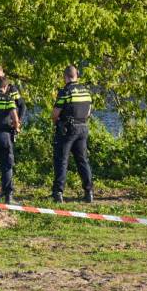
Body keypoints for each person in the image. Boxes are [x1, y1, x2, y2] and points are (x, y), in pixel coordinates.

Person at [51, 65, 93, 203]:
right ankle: (89, 192)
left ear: (65, 76)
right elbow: (88, 112)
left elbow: (55, 114)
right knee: (82, 160)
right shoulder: (86, 91)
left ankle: (58, 193)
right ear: (77, 75)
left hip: (68, 129)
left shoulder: (65, 92)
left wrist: (57, 123)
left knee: (62, 160)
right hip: (83, 128)